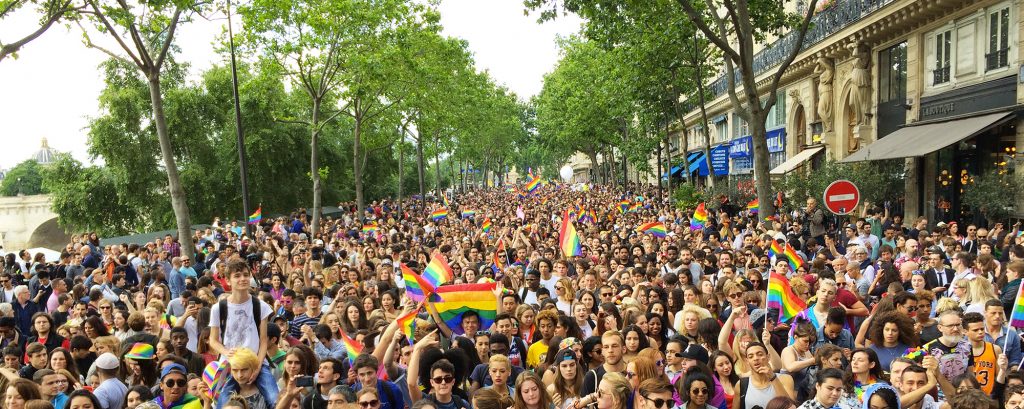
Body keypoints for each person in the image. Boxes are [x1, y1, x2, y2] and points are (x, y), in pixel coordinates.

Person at [209, 260, 278, 409]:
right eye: (237, 276)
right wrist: (227, 352)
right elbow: (213, 341)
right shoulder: (218, 308)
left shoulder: (260, 306)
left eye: (246, 275)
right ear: (228, 280)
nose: (243, 279)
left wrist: (258, 366)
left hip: (255, 362)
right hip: (230, 365)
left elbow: (264, 341)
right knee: (222, 404)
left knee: (275, 399)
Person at [581, 330, 625, 397]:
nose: (610, 350)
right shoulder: (592, 376)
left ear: (623, 349)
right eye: (606, 347)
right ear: (602, 351)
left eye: (614, 346)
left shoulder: (633, 373)